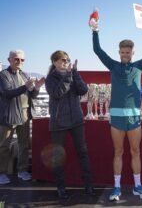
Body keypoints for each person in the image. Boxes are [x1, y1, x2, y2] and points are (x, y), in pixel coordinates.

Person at [91, 13, 142, 201]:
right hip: (116, 119)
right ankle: (116, 188)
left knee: (136, 152)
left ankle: (138, 186)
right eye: (122, 52)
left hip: (134, 118)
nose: (125, 55)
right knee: (118, 152)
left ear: (133, 53)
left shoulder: (139, 66)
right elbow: (97, 50)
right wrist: (95, 30)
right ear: (119, 53)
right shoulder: (112, 65)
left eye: (128, 52)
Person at [45, 50, 95, 199]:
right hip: (59, 123)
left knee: (83, 153)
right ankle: (61, 188)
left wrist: (76, 74)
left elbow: (83, 90)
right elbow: (58, 92)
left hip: (76, 121)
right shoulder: (50, 79)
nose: (65, 62)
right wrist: (68, 75)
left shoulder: (72, 75)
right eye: (62, 60)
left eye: (67, 60)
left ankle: (88, 186)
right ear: (54, 62)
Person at [0, 50, 45, 185]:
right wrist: (25, 86)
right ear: (9, 60)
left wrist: (36, 87)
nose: (19, 62)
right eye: (16, 59)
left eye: (22, 60)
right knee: (4, 146)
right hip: (9, 116)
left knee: (23, 145)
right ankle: (1, 173)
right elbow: (7, 93)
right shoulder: (3, 75)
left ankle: (22, 170)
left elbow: (32, 96)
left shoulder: (25, 75)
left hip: (25, 115)